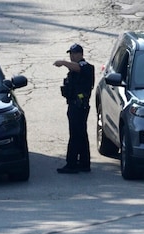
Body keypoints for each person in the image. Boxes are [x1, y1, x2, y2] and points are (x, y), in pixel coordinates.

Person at [54, 43, 95, 173]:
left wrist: (63, 62)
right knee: (81, 134)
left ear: (80, 54)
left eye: (74, 53)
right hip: (73, 105)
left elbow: (79, 68)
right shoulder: (74, 69)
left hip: (79, 106)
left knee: (76, 135)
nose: (71, 56)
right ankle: (84, 163)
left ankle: (71, 164)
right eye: (70, 54)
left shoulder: (86, 67)